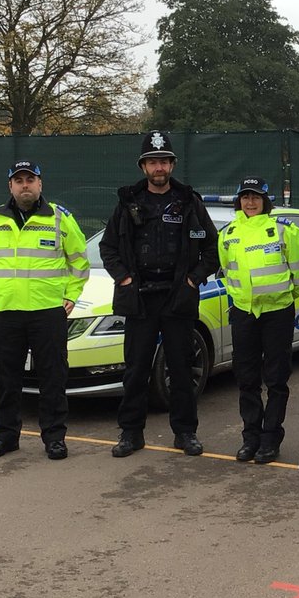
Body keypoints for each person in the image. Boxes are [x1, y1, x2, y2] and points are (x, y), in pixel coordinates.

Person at [99, 130, 218, 458]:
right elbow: (108, 247)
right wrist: (123, 279)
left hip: (177, 297)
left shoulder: (188, 203)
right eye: (153, 162)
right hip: (139, 299)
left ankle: (185, 433)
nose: (159, 167)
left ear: (172, 164)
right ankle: (131, 434)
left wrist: (193, 280)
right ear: (143, 167)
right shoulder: (128, 203)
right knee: (135, 369)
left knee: (180, 368)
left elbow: (208, 245)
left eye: (164, 161)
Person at [0, 160, 89, 461]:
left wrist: (72, 296)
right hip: (5, 313)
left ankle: (54, 438)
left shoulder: (60, 219)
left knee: (53, 378)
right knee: (6, 380)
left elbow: (79, 262)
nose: (25, 185)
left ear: (40, 184)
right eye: (19, 180)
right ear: (10, 186)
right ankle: (6, 436)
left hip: (47, 312)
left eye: (30, 180)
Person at [218, 176, 299, 464]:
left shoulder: (286, 231)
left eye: (256, 196)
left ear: (266, 200)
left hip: (277, 313)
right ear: (239, 200)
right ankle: (251, 438)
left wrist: (281, 298)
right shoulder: (227, 233)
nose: (250, 202)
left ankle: (271, 439)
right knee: (246, 380)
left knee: (276, 379)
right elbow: (226, 269)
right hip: (243, 313)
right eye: (245, 196)